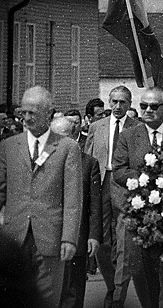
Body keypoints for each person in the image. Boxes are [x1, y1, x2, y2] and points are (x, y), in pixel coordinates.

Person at [0, 86, 83, 307]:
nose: (26, 118)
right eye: (23, 112)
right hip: (14, 237)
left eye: (32, 113)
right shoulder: (8, 146)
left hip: (51, 238)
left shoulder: (67, 148)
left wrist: (69, 238)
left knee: (48, 299)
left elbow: (73, 198)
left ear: (50, 113)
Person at [112, 87, 163, 308]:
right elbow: (118, 169)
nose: (148, 110)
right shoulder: (128, 135)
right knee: (140, 270)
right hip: (140, 213)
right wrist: (145, 179)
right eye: (143, 106)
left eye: (154, 106)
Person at [84, 85, 144, 308]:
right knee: (101, 239)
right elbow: (88, 158)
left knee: (124, 239)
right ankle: (111, 285)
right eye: (114, 102)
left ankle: (118, 293)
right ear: (109, 103)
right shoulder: (97, 127)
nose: (118, 106)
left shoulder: (137, 127)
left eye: (123, 102)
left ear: (130, 105)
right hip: (101, 184)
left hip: (125, 186)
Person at [51, 116, 101, 308]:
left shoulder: (89, 164)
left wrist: (93, 236)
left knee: (73, 291)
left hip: (76, 238)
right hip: (45, 236)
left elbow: (94, 204)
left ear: (74, 136)